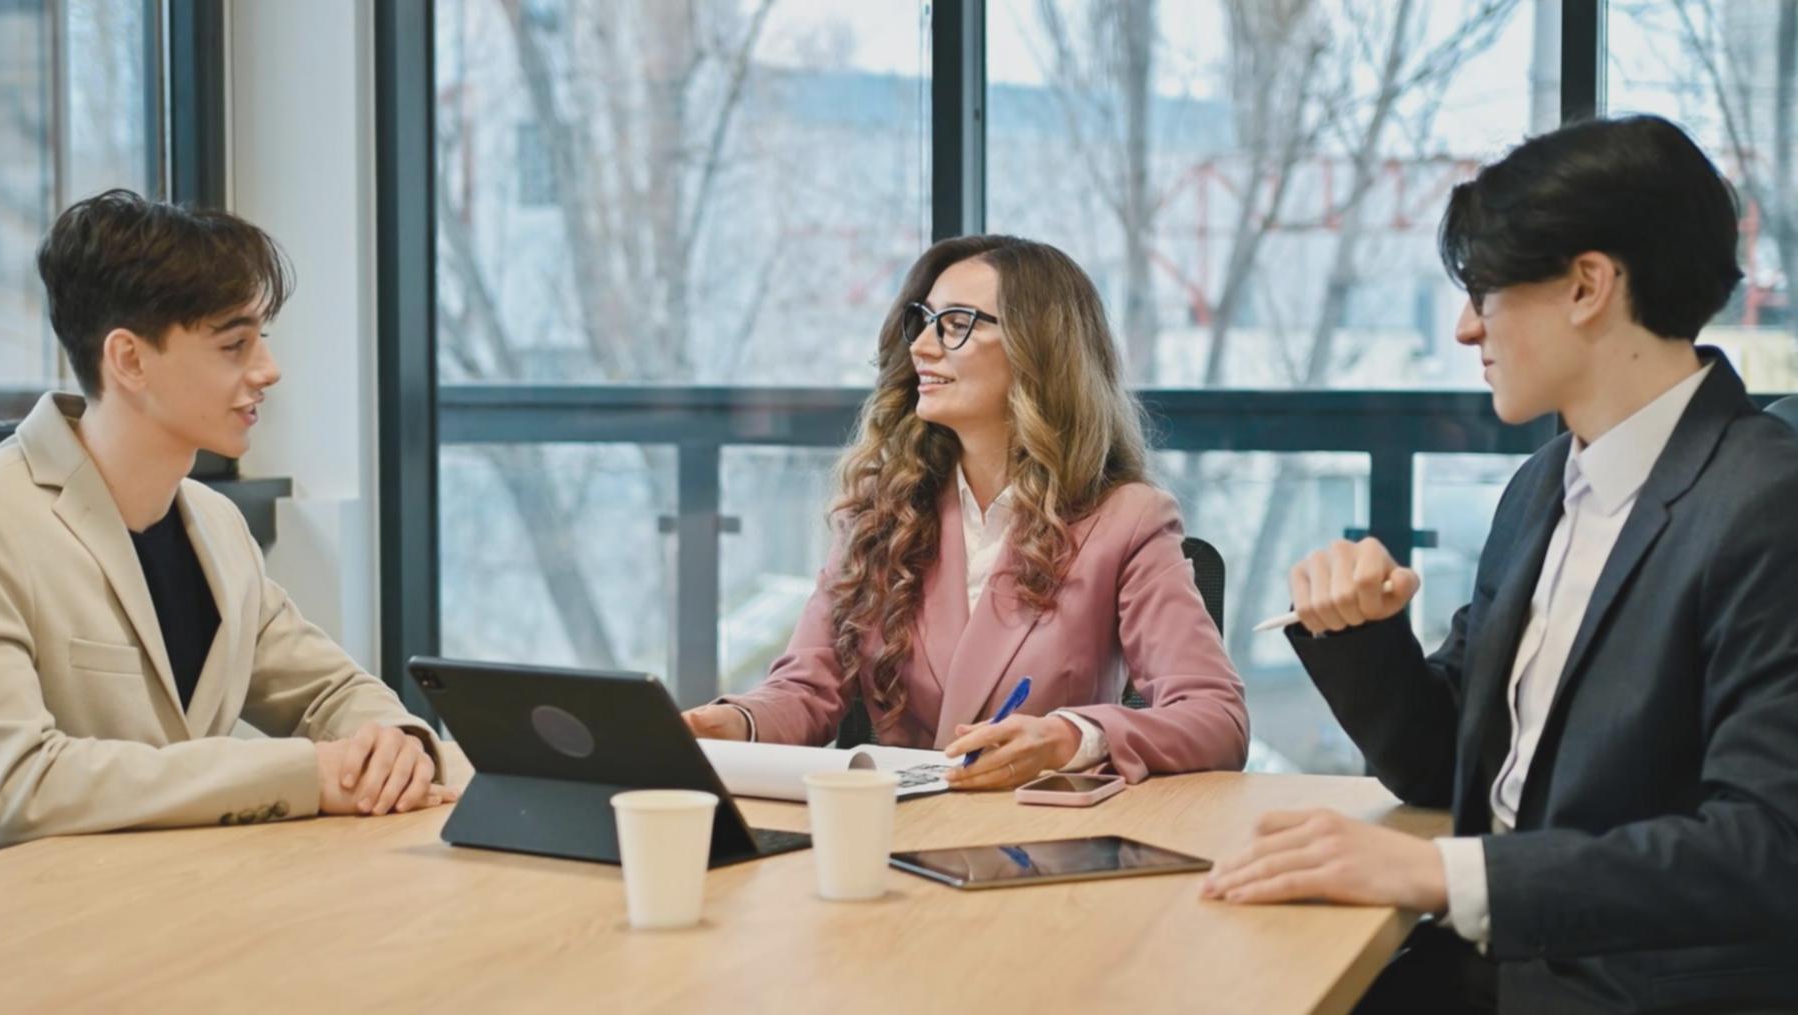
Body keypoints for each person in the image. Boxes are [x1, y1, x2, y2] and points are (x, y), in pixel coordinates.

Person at [1204, 116, 1798, 1011]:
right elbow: (1450, 767)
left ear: (1587, 286)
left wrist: (1440, 872)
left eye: (1483, 291)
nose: (1462, 328)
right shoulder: (1542, 486)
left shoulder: (1766, 503)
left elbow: (1765, 846)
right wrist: (1361, 634)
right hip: (1487, 958)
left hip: (1626, 985)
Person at [683, 235, 1248, 788]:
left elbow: (1216, 718)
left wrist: (1073, 738)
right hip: (902, 831)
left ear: (1038, 349)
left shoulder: (1127, 519)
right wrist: (735, 723)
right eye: (924, 321)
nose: (922, 347)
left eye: (955, 324)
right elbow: (806, 690)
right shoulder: (881, 511)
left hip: (1041, 835)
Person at [0, 190, 454, 848]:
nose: (269, 370)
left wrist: (396, 744)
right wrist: (303, 774)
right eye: (235, 345)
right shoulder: (5, 517)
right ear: (129, 360)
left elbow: (326, 691)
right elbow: (18, 782)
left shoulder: (216, 523)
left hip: (195, 892)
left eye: (262, 339)